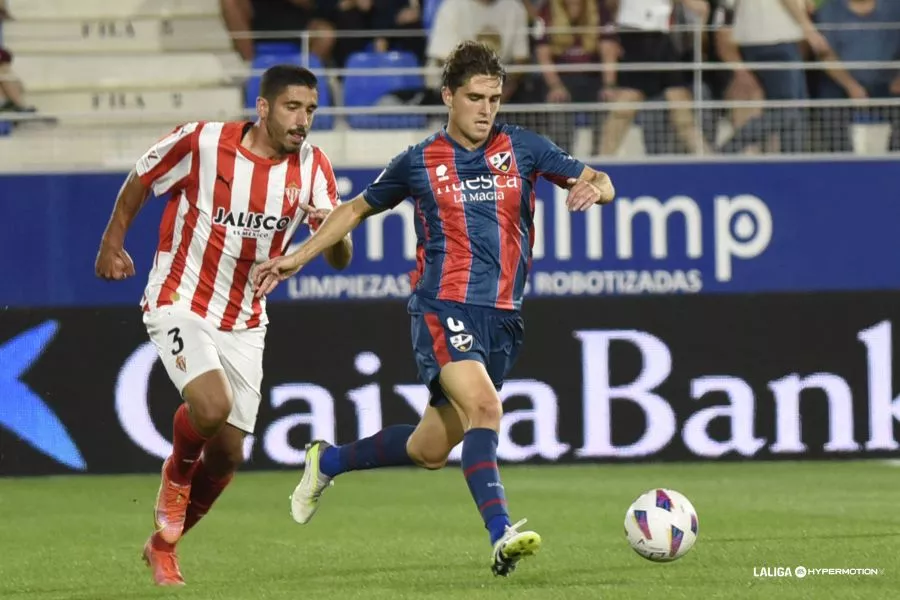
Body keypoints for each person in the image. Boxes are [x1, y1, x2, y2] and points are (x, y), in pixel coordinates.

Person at [251, 40, 615, 577]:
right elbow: (353, 209)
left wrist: (596, 191)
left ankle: (324, 461)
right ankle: (501, 534)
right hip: (442, 305)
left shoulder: (526, 148)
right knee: (486, 410)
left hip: (505, 317)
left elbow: (599, 178)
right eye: (474, 97)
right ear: (448, 96)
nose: (486, 109)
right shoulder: (419, 161)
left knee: (428, 449)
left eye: (494, 98)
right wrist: (297, 257)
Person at [94, 65, 352, 586]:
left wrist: (332, 234)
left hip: (244, 319)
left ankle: (163, 545)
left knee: (230, 453)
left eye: (310, 110)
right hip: (180, 298)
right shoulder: (203, 142)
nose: (302, 120)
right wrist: (112, 240)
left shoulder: (312, 167)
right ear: (262, 107)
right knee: (210, 407)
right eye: (292, 107)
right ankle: (174, 477)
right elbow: (141, 179)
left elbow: (340, 257)